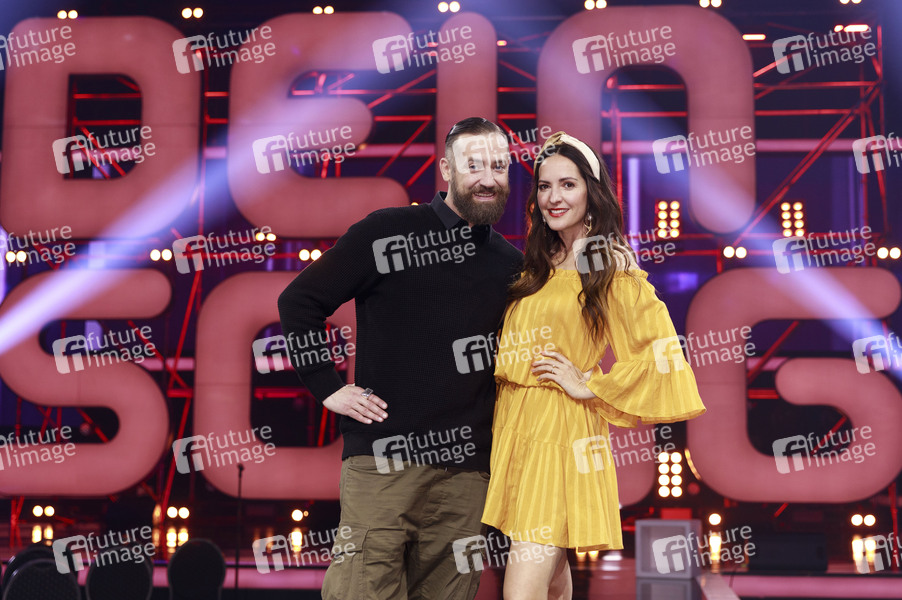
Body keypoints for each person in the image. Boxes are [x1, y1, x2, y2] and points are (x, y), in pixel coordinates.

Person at [277, 117, 523, 600]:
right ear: (446, 169)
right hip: (383, 462)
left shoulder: (511, 265)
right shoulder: (387, 231)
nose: (488, 178)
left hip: (468, 475)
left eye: (499, 166)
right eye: (474, 165)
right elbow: (299, 301)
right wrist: (327, 387)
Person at [481, 131, 706, 600]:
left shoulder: (607, 263)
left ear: (591, 191)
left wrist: (590, 385)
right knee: (552, 579)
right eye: (545, 186)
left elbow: (661, 352)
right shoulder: (539, 261)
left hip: (559, 430)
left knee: (522, 587)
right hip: (516, 426)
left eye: (568, 184)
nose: (554, 197)